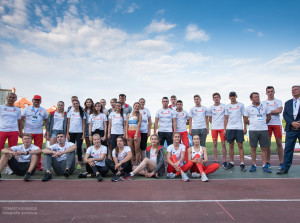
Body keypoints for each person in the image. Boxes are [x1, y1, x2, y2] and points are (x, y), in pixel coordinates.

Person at [244, 92, 271, 173]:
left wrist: (262, 123)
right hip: (253, 130)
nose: (257, 98)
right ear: (251, 99)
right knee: (253, 148)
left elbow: (269, 117)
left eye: (258, 96)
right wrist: (252, 124)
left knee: (264, 148)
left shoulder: (265, 106)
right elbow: (245, 119)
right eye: (255, 97)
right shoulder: (248, 108)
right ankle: (253, 165)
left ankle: (264, 165)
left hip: (263, 130)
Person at [277, 85, 300, 174]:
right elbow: (285, 115)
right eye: (292, 90)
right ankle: (285, 168)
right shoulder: (288, 103)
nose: (293, 91)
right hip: (290, 129)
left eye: (296, 89)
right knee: (288, 149)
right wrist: (292, 123)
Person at [21, 95, 47, 171]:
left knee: (38, 149)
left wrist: (47, 131)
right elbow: (21, 119)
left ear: (41, 101)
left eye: (38, 100)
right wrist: (21, 130)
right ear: (32, 100)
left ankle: (37, 165)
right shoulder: (26, 109)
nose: (36, 101)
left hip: (39, 132)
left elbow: (46, 121)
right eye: (35, 100)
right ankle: (26, 163)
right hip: (28, 132)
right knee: (26, 148)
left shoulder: (43, 110)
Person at [224, 92, 247, 172]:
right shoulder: (227, 106)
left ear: (236, 96)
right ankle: (231, 162)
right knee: (231, 145)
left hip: (239, 128)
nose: (232, 97)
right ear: (229, 97)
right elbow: (226, 118)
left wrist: (245, 127)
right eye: (231, 96)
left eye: (234, 96)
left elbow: (244, 117)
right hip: (230, 128)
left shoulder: (241, 105)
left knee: (240, 145)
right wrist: (225, 129)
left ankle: (242, 163)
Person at [263, 86, 284, 169]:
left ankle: (281, 162)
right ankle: (268, 162)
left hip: (277, 124)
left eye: (271, 91)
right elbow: (263, 112)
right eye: (268, 91)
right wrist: (273, 112)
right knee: (267, 144)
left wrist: (269, 111)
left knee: (279, 143)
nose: (270, 93)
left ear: (274, 92)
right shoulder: (263, 102)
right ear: (266, 93)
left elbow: (279, 111)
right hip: (267, 124)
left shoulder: (278, 101)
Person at [208, 93, 227, 168]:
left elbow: (226, 117)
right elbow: (210, 118)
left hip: (222, 128)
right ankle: (216, 160)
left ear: (220, 98)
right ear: (213, 99)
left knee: (223, 144)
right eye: (215, 97)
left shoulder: (224, 106)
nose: (216, 98)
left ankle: (224, 160)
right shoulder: (211, 108)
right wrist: (214, 124)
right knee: (215, 144)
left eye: (217, 97)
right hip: (214, 128)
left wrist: (224, 126)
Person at [66, 99, 86, 170]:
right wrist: (67, 133)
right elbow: (67, 123)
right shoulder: (70, 112)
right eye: (74, 104)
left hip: (79, 132)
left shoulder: (82, 112)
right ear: (72, 105)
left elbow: (83, 124)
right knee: (71, 148)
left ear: (79, 104)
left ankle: (79, 162)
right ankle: (71, 162)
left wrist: (83, 133)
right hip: (71, 132)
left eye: (76, 103)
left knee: (78, 148)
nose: (75, 105)